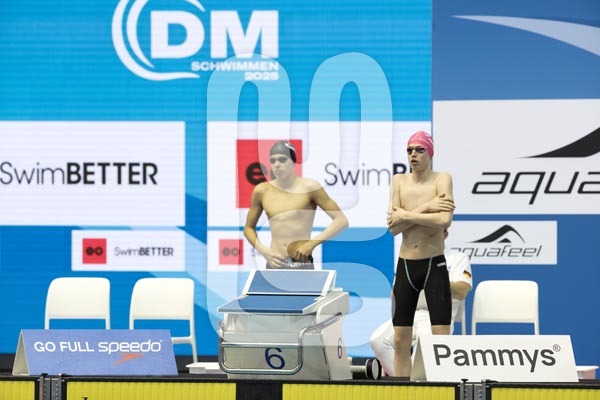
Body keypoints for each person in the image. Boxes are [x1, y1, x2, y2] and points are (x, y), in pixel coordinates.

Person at [386, 130, 455, 378]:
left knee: (441, 338)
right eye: (409, 150)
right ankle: (401, 389)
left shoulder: (442, 179)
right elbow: (393, 228)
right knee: (400, 339)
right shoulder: (398, 181)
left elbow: (444, 220)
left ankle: (443, 388)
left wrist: (406, 215)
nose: (413, 154)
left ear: (430, 152)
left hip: (433, 265)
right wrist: (427, 207)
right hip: (406, 266)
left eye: (419, 149)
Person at [370, 229, 473, 376]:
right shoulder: (409, 258)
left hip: (438, 318)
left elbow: (462, 290)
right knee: (378, 340)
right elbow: (395, 293)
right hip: (411, 314)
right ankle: (403, 381)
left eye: (431, 231)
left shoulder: (457, 258)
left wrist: (434, 281)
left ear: (444, 234)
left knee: (424, 344)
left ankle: (418, 382)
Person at [244, 140, 349, 269]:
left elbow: (341, 220)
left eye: (282, 159)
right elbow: (248, 228)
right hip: (275, 262)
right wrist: (263, 251)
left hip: (301, 261)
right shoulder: (262, 191)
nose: (277, 164)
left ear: (293, 161)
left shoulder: (310, 187)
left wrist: (311, 244)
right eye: (273, 161)